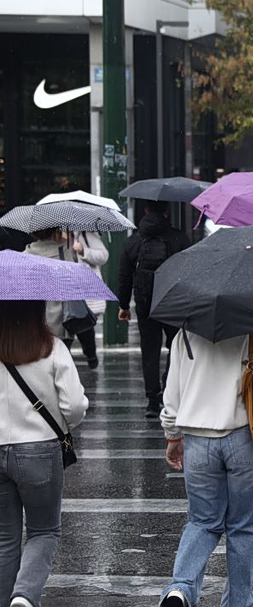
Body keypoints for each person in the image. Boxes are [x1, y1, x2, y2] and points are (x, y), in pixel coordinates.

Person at [159, 330, 253, 607]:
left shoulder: (185, 333)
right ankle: (239, 602)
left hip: (197, 438)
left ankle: (180, 589)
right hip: (243, 438)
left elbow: (172, 391)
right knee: (244, 525)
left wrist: (172, 435)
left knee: (202, 521)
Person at [1, 300, 89, 607]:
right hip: (39, 448)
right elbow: (75, 406)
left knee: (4, 539)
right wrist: (67, 423)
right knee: (44, 531)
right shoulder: (51, 347)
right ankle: (24, 596)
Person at [118, 201, 190, 418]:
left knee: (149, 349)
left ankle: (151, 400)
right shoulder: (179, 238)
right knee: (175, 347)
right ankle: (167, 389)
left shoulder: (133, 241)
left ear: (146, 210)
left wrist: (123, 305)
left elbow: (124, 277)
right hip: (172, 302)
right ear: (167, 212)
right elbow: (188, 273)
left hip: (145, 302)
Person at [70, 231, 108, 369]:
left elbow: (103, 256)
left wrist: (83, 250)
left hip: (83, 285)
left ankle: (90, 353)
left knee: (83, 322)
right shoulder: (54, 237)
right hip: (65, 284)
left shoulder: (85, 235)